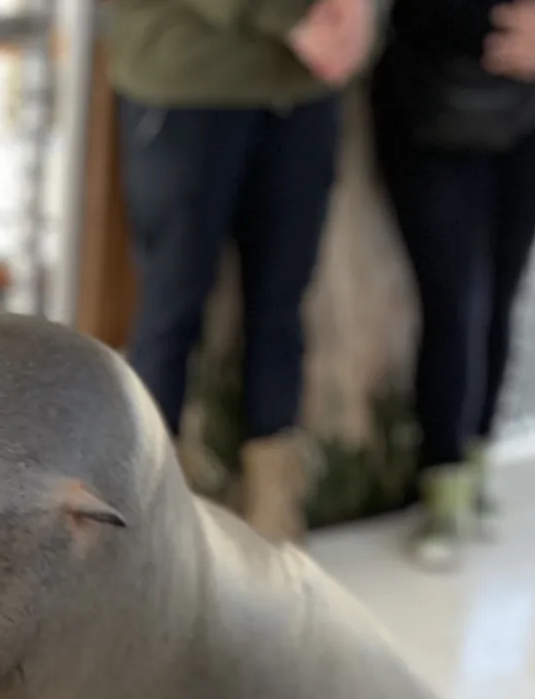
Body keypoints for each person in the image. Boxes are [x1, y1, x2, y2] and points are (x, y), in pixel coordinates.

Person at [109, 0, 377, 542]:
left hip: (303, 87)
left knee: (281, 306)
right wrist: (291, 18)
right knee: (171, 308)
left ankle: (275, 511)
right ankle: (142, 523)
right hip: (188, 77)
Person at [372, 0, 535, 567]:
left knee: (504, 290)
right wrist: (502, 29)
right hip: (434, 92)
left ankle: (477, 460)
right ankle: (443, 482)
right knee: (450, 300)